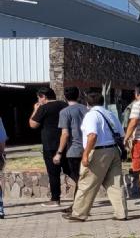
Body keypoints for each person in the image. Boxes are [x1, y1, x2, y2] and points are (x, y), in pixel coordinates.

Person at [64, 88, 127, 222]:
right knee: (115, 183)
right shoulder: (110, 114)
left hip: (98, 151)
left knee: (87, 183)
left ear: (87, 103)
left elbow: (92, 135)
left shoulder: (91, 115)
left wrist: (85, 154)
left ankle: (79, 213)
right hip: (114, 150)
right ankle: (121, 213)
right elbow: (121, 134)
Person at [29, 88, 68, 206]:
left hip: (50, 144)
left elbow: (33, 124)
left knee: (53, 173)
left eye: (38, 98)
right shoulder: (64, 105)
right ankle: (81, 193)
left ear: (43, 97)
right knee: (70, 170)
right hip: (65, 142)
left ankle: (55, 199)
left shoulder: (43, 108)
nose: (38, 100)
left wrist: (35, 110)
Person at [54, 87, 87, 201]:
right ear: (78, 95)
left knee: (79, 179)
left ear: (65, 97)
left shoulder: (64, 112)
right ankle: (78, 205)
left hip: (74, 150)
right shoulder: (86, 109)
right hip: (88, 148)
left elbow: (65, 134)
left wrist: (59, 152)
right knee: (83, 178)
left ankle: (78, 206)